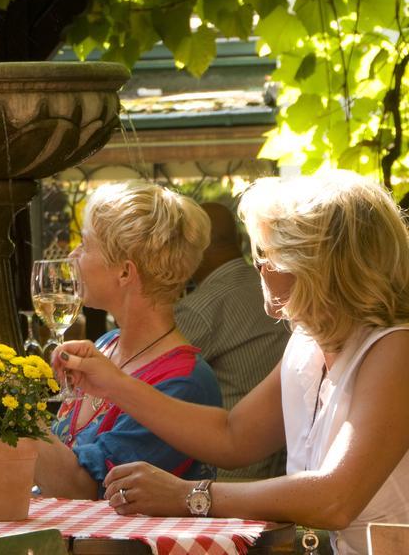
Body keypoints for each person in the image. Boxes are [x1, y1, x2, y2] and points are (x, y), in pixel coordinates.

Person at [59, 171, 409, 555]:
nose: (258, 267)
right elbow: (232, 435)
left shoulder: (395, 347)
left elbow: (335, 499)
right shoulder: (307, 344)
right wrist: (113, 384)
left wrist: (191, 496)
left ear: (319, 265)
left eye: (267, 253)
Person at [33, 181, 222, 499]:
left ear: (124, 273)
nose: (73, 254)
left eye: (86, 244)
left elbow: (85, 490)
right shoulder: (106, 345)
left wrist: (6, 403)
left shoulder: (185, 382)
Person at [175, 202, 288, 479]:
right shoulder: (269, 288)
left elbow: (156, 378)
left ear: (192, 250)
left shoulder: (200, 309)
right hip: (280, 462)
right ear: (239, 240)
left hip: (227, 471)